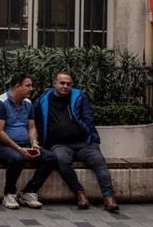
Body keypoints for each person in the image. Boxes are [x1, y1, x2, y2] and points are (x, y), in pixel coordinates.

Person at [33, 72, 120, 212]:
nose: (65, 86)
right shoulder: (43, 100)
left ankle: (109, 198)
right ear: (55, 83)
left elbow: (88, 118)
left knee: (99, 161)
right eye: (62, 83)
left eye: (68, 84)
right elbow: (35, 122)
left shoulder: (79, 97)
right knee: (61, 160)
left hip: (83, 143)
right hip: (59, 145)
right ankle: (80, 194)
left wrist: (92, 138)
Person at [0, 76, 55, 210]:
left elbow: (31, 127)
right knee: (16, 159)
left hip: (24, 145)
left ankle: (29, 192)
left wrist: (34, 143)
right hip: (0, 146)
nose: (31, 88)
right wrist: (19, 149)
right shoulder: (0, 103)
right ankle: (9, 193)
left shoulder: (28, 103)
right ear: (17, 86)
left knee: (50, 158)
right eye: (28, 85)